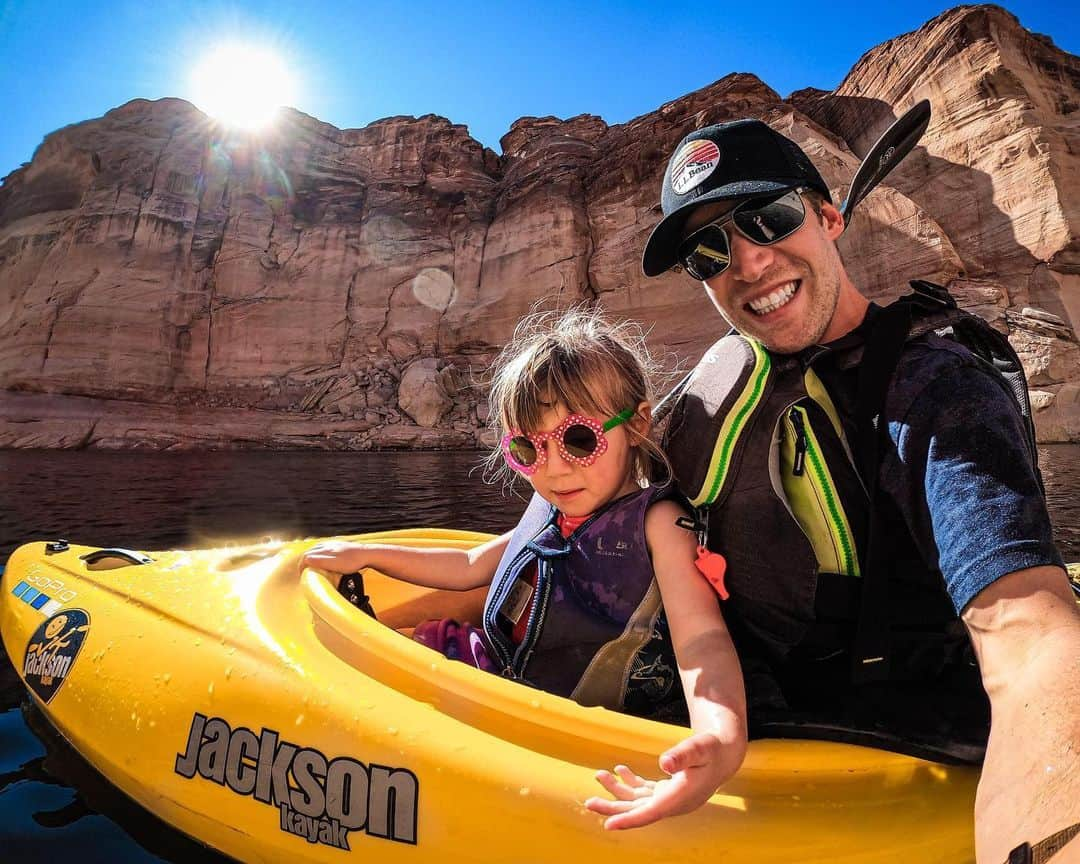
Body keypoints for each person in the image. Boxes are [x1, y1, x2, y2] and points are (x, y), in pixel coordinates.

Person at [640, 118, 1080, 863]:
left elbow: (1027, 632)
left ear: (829, 216)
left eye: (770, 219)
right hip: (742, 689)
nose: (747, 262)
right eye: (708, 251)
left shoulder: (937, 388)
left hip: (883, 716)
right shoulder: (708, 394)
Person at [303, 308, 748, 830]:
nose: (553, 468)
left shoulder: (660, 525)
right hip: (493, 671)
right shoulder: (559, 508)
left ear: (637, 425)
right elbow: (470, 565)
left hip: (563, 717)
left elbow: (701, 642)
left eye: (580, 440)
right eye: (527, 448)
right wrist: (368, 555)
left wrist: (719, 737)